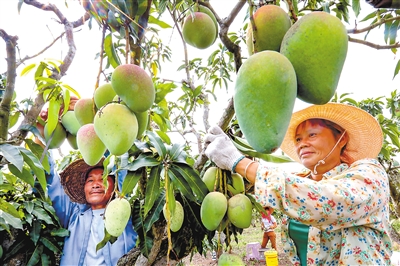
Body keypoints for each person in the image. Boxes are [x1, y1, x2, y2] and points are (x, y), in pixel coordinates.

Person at [204, 103, 392, 265]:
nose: (302, 144)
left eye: (312, 135)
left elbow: (325, 201)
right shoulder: (301, 179)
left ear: (341, 138)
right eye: (298, 139)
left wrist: (240, 163)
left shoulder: (370, 173)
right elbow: (285, 188)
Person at [46, 155, 137, 266]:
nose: (95, 185)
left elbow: (121, 163)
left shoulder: (124, 213)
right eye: (90, 180)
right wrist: (42, 145)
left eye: (103, 179)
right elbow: (51, 181)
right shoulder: (73, 215)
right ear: (84, 188)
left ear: (115, 187)